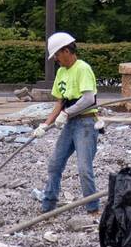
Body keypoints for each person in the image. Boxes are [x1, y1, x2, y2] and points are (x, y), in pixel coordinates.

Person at [33, 32, 101, 214]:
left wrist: (67, 113)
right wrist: (45, 125)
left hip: (86, 123)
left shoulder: (83, 68)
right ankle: (48, 206)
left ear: (66, 50)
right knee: (55, 164)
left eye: (56, 54)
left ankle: (93, 209)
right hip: (70, 124)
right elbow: (60, 102)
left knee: (84, 168)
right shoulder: (62, 72)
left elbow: (89, 99)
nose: (56, 59)